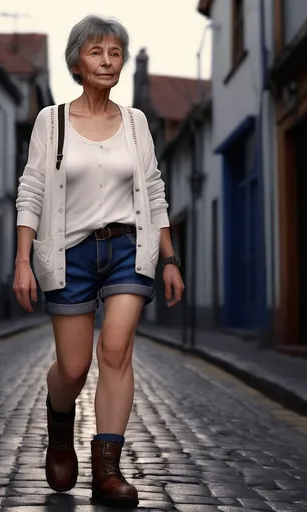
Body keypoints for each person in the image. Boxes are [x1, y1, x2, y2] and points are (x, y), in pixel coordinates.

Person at [13, 14, 185, 508]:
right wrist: (23, 260)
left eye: (115, 53)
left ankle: (107, 469)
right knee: (73, 366)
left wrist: (169, 257)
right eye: (96, 53)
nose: (107, 62)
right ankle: (60, 423)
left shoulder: (136, 123)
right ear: (77, 62)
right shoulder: (53, 121)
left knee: (116, 349)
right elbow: (32, 189)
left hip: (129, 248)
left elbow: (153, 190)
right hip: (70, 254)